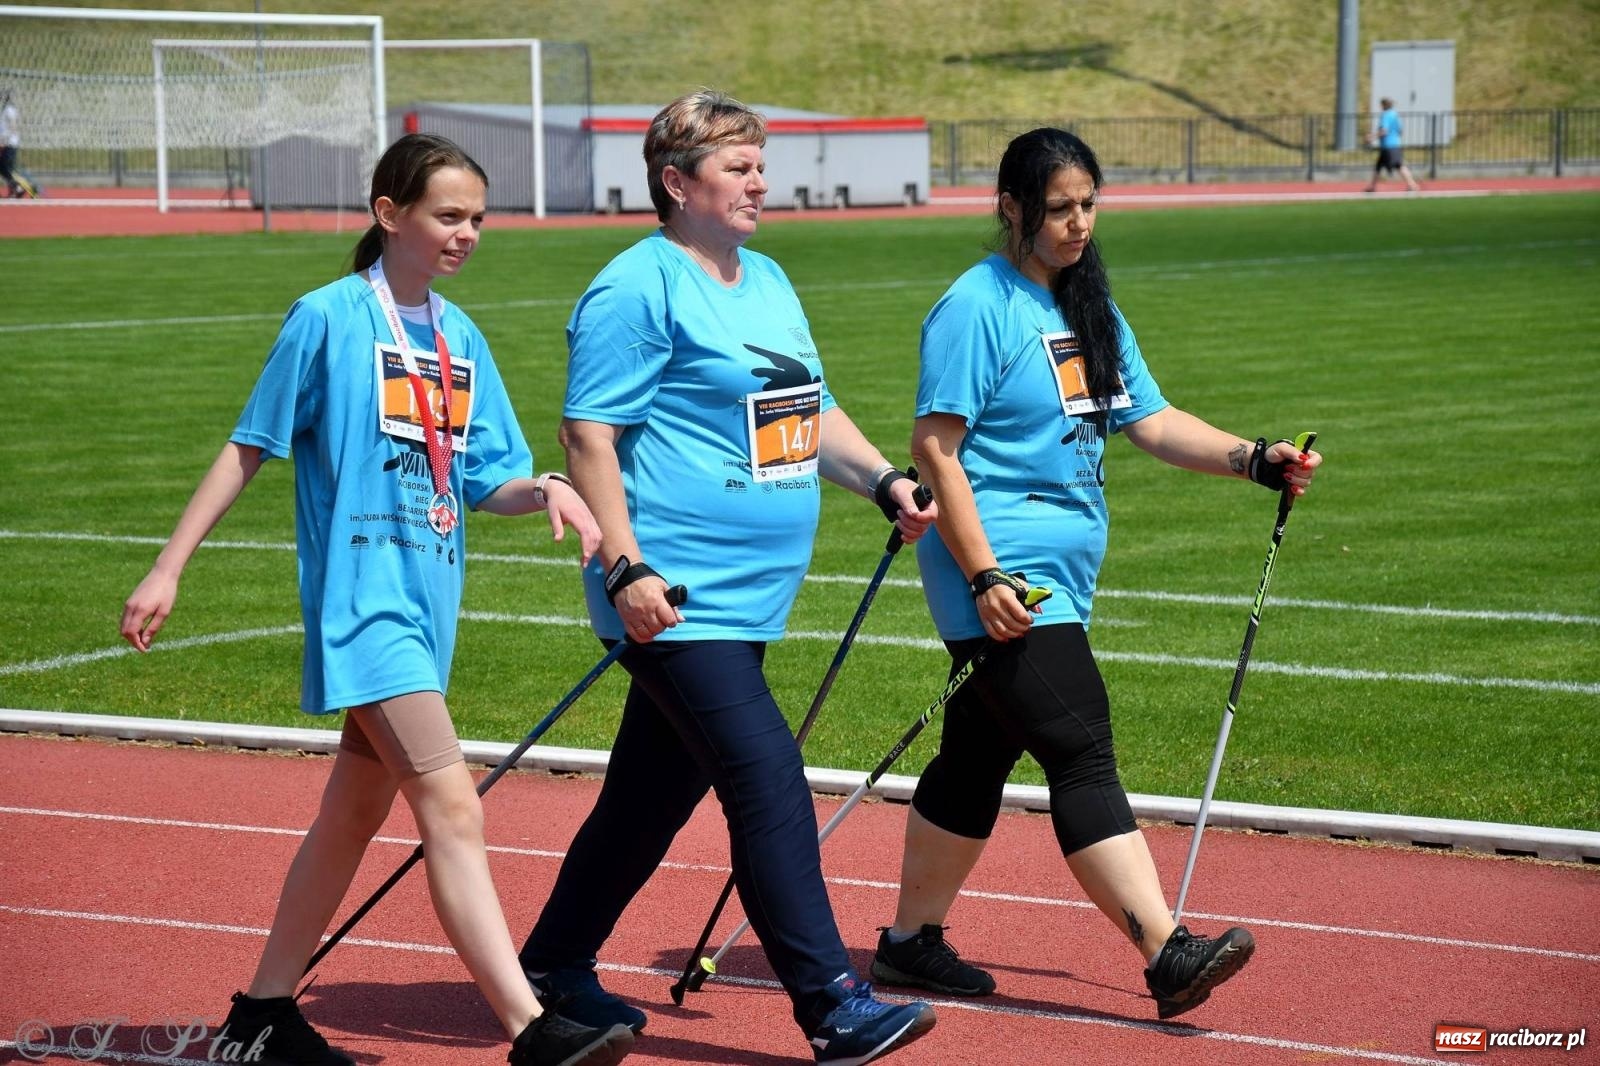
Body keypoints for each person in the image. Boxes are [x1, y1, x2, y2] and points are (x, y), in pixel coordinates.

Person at [120, 133, 635, 1066]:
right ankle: (529, 1027)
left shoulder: (459, 336)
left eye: (478, 218)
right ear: (388, 214)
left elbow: (486, 478)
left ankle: (261, 1014)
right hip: (365, 608)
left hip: (428, 608)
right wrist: (169, 565)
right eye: (448, 216)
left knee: (352, 817)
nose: (467, 233)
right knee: (454, 805)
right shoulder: (326, 318)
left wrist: (550, 488)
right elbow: (249, 444)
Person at [514, 89, 940, 1066]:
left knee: (649, 795)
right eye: (737, 166)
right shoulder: (637, 287)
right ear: (676, 181)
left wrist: (882, 479)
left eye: (760, 163)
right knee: (765, 777)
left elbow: (808, 408)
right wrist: (625, 566)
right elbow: (588, 436)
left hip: (749, 596)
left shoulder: (768, 279)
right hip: (672, 593)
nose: (759, 181)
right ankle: (832, 1003)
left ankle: (553, 963)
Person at [866, 127, 1322, 1022]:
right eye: (1058, 209)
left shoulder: (1086, 304)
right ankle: (1166, 952)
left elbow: (1149, 420)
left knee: (976, 756)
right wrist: (985, 575)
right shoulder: (977, 305)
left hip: (1059, 573)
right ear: (1011, 209)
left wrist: (1253, 458)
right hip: (1001, 574)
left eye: (1088, 205)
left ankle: (910, 942)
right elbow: (935, 449)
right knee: (1079, 743)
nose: (1078, 224)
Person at [1363, 97, 1421, 193]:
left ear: (1384, 105)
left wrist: (1372, 137)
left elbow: (1384, 131)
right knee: (1378, 166)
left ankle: (1412, 185)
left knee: (1399, 166)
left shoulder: (1385, 115)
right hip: (1394, 144)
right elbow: (1400, 131)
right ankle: (1372, 186)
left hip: (1388, 146)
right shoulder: (1395, 114)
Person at [0, 88, 42, 199]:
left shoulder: (9, 110)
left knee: (9, 170)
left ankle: (30, 189)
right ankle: (16, 189)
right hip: (7, 143)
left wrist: (4, 141)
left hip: (9, 144)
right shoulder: (6, 110)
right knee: (4, 169)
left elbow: (13, 127)